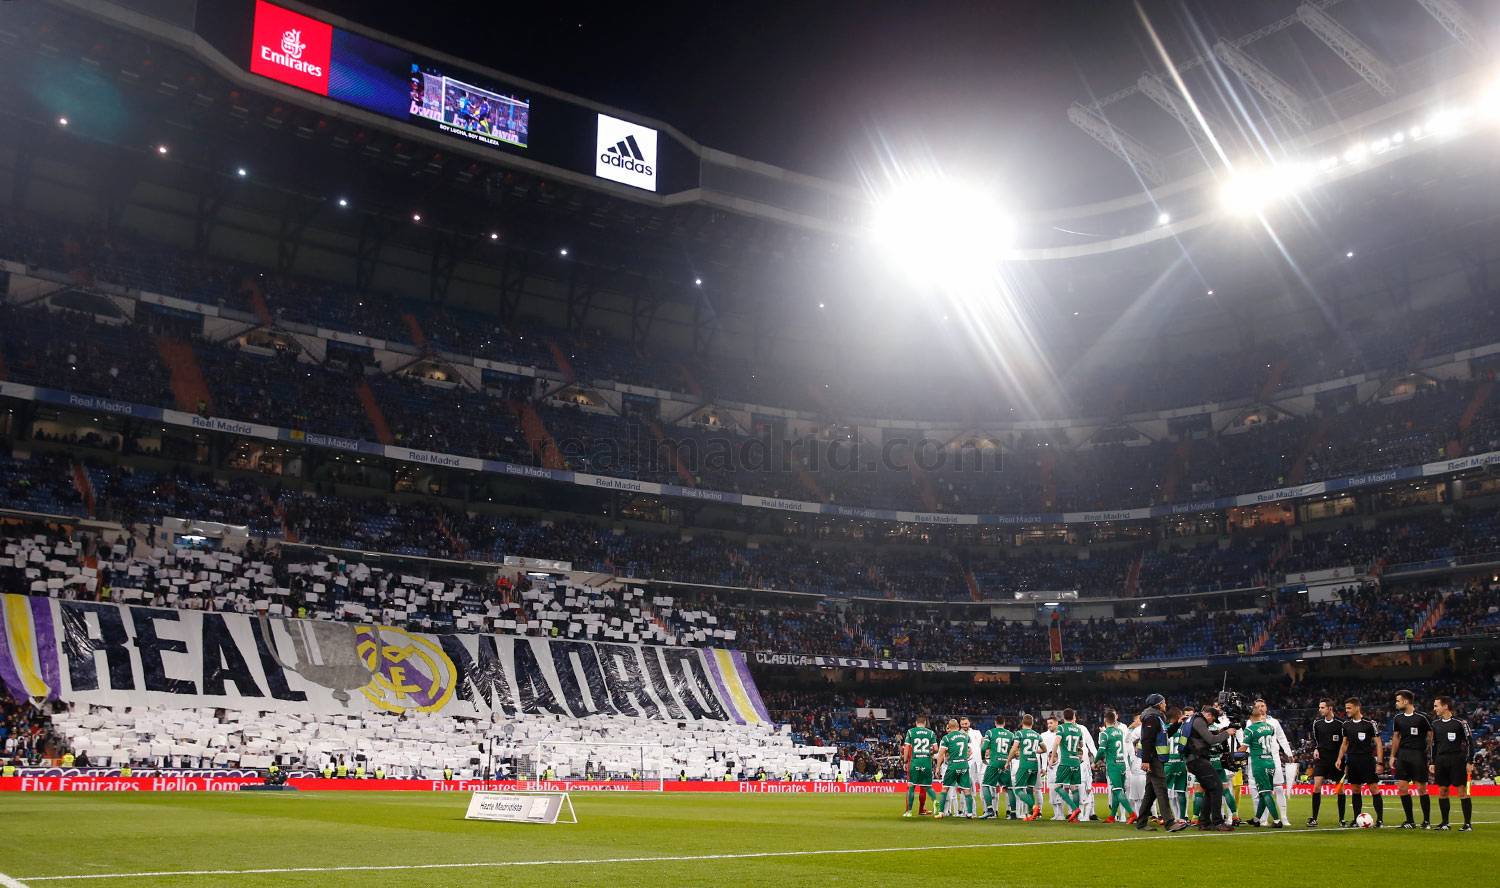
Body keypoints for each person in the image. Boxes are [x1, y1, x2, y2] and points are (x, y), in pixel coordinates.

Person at [1135, 694, 1188, 833]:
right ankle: (1170, 823)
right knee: (1161, 790)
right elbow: (1147, 740)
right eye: (1163, 702)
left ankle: (1141, 823)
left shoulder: (1157, 717)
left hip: (1155, 758)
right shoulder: (1152, 718)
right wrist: (1146, 760)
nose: (1165, 704)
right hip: (1154, 759)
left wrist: (1177, 723)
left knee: (1151, 793)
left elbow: (1164, 735)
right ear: (1158, 704)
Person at [1181, 701, 1237, 832]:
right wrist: (1226, 733)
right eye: (1213, 719)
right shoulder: (1199, 721)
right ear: (1209, 715)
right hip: (1198, 760)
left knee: (1209, 789)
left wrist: (1220, 731)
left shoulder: (1194, 720)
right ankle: (1217, 822)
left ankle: (1204, 822)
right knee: (1217, 787)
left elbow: (1200, 737)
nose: (1212, 722)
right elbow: (1211, 740)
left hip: (1193, 760)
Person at [1334, 697, 1384, 828]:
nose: (1347, 711)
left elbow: (1378, 743)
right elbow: (1344, 744)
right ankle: (1357, 819)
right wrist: (1339, 759)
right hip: (1352, 760)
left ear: (1357, 707)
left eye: (1349, 708)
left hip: (1367, 760)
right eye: (1346, 708)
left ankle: (1380, 819)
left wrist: (1379, 762)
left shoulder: (1369, 723)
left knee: (1373, 788)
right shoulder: (1346, 725)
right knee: (1355, 790)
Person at [1389, 689, 1432, 829]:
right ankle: (1410, 821)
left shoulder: (1422, 717)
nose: (1396, 703)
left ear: (1406, 701)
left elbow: (1431, 735)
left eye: (1398, 700)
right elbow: (1396, 737)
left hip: (1418, 754)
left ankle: (1426, 821)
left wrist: (1427, 750)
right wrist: (1392, 756)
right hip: (1403, 755)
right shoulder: (1398, 718)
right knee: (1402, 787)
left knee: (1421, 788)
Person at [1430, 696, 1473, 831]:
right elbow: (1433, 745)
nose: (1434, 708)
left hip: (1457, 759)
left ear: (1445, 706)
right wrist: (1432, 761)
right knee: (1442, 791)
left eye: (1436, 706)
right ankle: (1445, 823)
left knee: (1461, 791)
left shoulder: (1460, 723)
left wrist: (1470, 760)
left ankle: (1467, 824)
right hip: (1441, 760)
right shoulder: (1435, 724)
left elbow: (1470, 742)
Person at [1242, 708, 1285, 828]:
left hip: (1259, 763)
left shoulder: (1250, 730)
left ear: (1250, 717)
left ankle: (1277, 821)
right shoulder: (1269, 727)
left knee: (1265, 792)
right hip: (1270, 762)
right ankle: (1256, 819)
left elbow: (1243, 748)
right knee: (1264, 792)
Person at [1049, 708, 1092, 823]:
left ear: (1063, 717)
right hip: (1076, 762)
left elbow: (1056, 743)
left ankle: (1074, 808)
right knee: (1074, 788)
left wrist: (1052, 758)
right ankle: (1076, 817)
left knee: (1058, 787)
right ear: (1073, 717)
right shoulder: (1078, 730)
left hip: (1065, 761)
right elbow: (1081, 744)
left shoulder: (1061, 728)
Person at [1307, 698, 1346, 827]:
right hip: (1322, 760)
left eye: (1322, 707)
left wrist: (1341, 758)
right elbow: (1317, 741)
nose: (1320, 710)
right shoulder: (1317, 724)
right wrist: (1316, 749)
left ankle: (1342, 819)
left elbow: (1345, 743)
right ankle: (1314, 818)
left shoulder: (1341, 724)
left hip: (1337, 760)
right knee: (1316, 786)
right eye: (1319, 707)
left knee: (1340, 790)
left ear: (1330, 708)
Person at [1098, 710, 1136, 824]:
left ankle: (1132, 814)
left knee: (1118, 790)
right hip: (1122, 763)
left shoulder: (1105, 733)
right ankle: (1112, 816)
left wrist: (1095, 761)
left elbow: (1102, 749)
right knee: (1116, 790)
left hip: (1113, 764)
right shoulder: (1120, 731)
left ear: (1105, 720)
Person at [934, 718, 975, 819]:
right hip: (964, 765)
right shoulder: (966, 736)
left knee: (945, 788)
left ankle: (941, 812)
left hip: (953, 766)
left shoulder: (946, 738)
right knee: (966, 790)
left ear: (949, 727)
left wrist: (938, 767)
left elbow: (940, 754)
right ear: (958, 726)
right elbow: (969, 747)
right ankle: (969, 813)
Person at [1006, 714, 1044, 820]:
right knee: (1030, 789)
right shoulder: (1037, 735)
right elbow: (1044, 749)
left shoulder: (1019, 733)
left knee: (1018, 790)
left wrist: (1007, 761)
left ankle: (1034, 807)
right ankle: (1032, 814)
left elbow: (1014, 749)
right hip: (1035, 764)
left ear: (1022, 723)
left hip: (1025, 764)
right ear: (1032, 723)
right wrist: (1035, 750)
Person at [979, 716, 1015, 820]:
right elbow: (1015, 749)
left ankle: (990, 810)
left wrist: (983, 759)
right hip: (1005, 763)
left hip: (994, 762)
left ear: (995, 722)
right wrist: (1009, 759)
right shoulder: (1010, 734)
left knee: (985, 785)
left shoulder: (990, 732)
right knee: (1009, 788)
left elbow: (983, 748)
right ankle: (1012, 813)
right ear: (1004, 723)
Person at [901, 714, 937, 818]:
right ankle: (935, 807)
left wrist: (904, 761)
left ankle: (909, 811)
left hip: (915, 762)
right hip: (926, 762)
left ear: (916, 723)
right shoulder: (930, 733)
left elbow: (906, 747)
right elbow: (935, 749)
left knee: (911, 787)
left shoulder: (911, 732)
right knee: (926, 787)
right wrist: (929, 753)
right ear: (925, 723)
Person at [1165, 706, 1191, 822]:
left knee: (1164, 793)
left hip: (1167, 764)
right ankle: (1182, 818)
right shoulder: (1184, 729)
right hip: (1181, 763)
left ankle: (1170, 817)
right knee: (1181, 792)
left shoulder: (1164, 729)